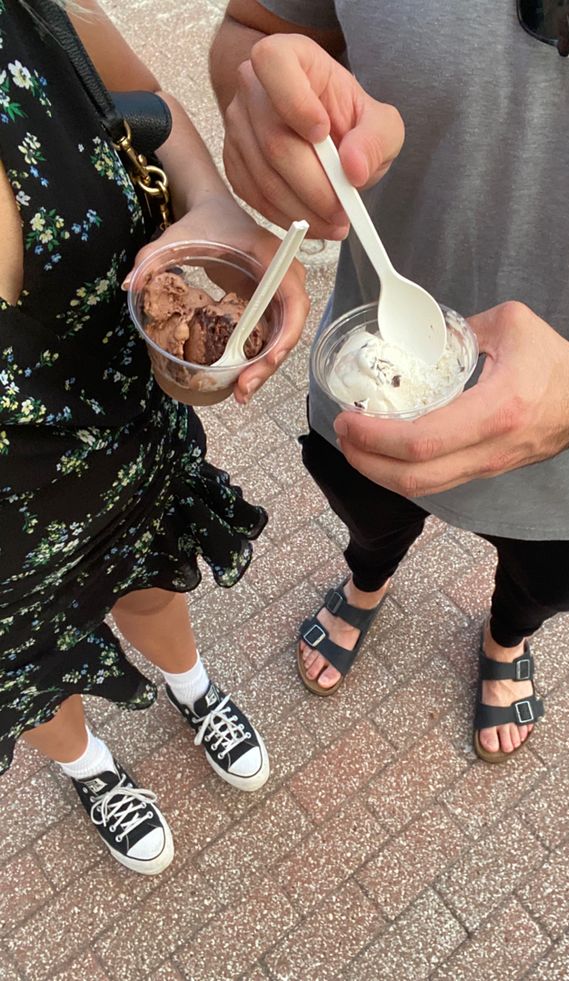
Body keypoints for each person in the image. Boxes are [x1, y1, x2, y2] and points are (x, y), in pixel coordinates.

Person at [210, 2, 569, 762]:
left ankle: (506, 637)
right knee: (370, 529)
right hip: (368, 396)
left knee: (543, 587)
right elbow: (254, 33)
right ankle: (366, 582)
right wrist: (261, 108)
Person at [0, 0, 309, 874]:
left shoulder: (27, 18)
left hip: (126, 440)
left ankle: (193, 688)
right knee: (28, 663)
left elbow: (150, 112)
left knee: (147, 581)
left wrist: (214, 205)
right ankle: (93, 772)